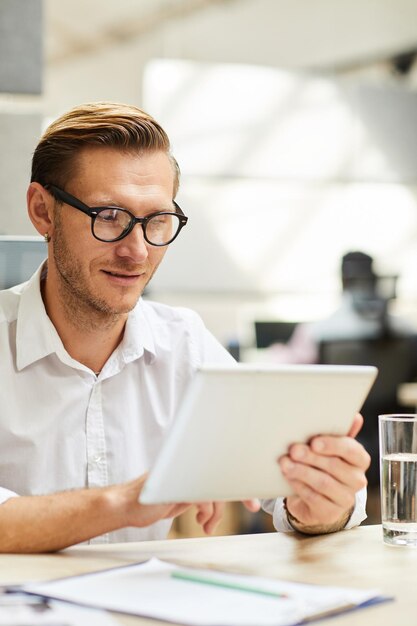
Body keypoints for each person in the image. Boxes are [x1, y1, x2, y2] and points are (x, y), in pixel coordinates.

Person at [0, 102, 370, 553]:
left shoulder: (183, 342)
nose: (137, 252)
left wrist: (319, 507)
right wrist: (127, 502)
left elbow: (283, 492)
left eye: (157, 221)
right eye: (109, 217)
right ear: (42, 211)